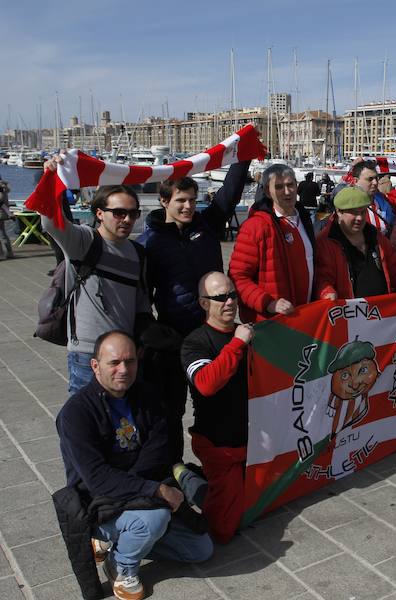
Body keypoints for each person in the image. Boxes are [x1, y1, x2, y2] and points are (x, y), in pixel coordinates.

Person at [55, 331, 212, 600]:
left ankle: (119, 543)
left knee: (201, 549)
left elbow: (159, 449)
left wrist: (138, 486)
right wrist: (155, 491)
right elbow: (97, 479)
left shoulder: (146, 395)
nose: (123, 370)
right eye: (114, 363)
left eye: (130, 362)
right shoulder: (76, 414)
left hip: (137, 492)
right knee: (155, 517)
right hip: (101, 503)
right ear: (95, 366)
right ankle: (122, 567)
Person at [138, 165, 248, 462]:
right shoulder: (149, 243)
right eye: (180, 201)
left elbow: (229, 194)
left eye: (191, 200)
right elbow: (142, 294)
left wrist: (244, 157)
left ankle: (217, 464)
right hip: (175, 337)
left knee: (217, 400)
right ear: (164, 202)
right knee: (171, 408)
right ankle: (175, 468)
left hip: (213, 331)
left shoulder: (207, 224)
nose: (188, 206)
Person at [34, 167, 152, 393]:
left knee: (124, 422)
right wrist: (51, 177)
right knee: (87, 420)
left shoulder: (138, 253)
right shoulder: (84, 240)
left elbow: (140, 301)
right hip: (88, 354)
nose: (127, 219)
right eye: (118, 213)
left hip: (126, 353)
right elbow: (50, 221)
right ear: (99, 213)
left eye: (133, 213)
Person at [178, 272, 252, 544]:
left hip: (252, 442)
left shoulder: (245, 333)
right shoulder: (194, 343)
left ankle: (205, 482)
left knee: (258, 506)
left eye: (232, 294)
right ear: (203, 303)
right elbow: (206, 384)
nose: (229, 301)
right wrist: (237, 344)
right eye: (219, 297)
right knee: (222, 532)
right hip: (219, 445)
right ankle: (187, 477)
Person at [229, 163, 315, 323]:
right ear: (268, 191)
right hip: (272, 322)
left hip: (306, 317)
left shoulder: (304, 219)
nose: (287, 191)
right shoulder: (255, 227)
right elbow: (237, 277)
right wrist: (268, 303)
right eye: (279, 187)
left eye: (290, 185)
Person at [314, 187, 396, 300]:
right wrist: (326, 293)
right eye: (354, 213)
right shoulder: (326, 242)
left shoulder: (375, 236)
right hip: (349, 316)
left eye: (362, 212)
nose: (360, 218)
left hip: (380, 313)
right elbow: (322, 278)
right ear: (339, 212)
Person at [0, 177, 13, 260]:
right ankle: (9, 252)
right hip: (3, 212)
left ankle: (2, 254)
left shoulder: (1, 187)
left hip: (1, 212)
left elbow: (0, 200)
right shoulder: (4, 186)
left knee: (2, 233)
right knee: (3, 233)